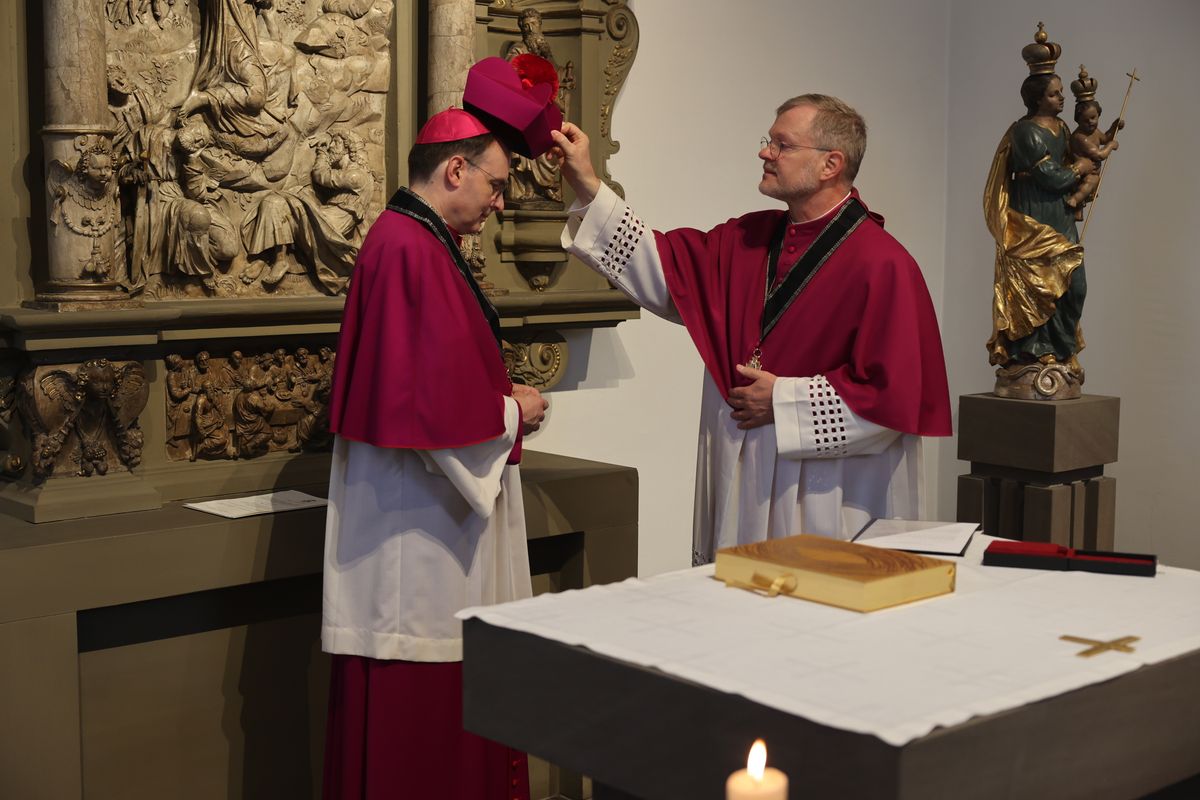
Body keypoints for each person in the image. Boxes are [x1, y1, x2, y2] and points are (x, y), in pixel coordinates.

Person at [553, 94, 952, 565]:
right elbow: (663, 270)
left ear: (831, 164)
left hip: (827, 496)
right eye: (769, 141)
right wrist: (588, 184)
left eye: (783, 144)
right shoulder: (749, 238)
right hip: (743, 475)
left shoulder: (884, 265)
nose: (765, 152)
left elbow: (892, 404)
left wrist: (783, 399)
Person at [321, 56, 560, 800]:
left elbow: (431, 378)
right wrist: (512, 411)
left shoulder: (420, 242)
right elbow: (424, 406)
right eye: (495, 184)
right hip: (414, 532)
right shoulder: (408, 248)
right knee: (422, 720)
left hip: (427, 513)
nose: (499, 203)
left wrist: (498, 397)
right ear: (455, 170)